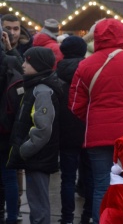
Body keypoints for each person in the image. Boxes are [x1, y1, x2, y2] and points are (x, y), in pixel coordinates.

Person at [69, 18, 123, 224]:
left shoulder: (85, 65)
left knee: (101, 186)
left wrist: (93, 119)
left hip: (97, 136)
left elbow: (75, 104)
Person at [7, 47, 62, 224]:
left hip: (38, 156)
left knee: (38, 204)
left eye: (27, 61)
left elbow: (43, 129)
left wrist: (25, 149)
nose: (23, 65)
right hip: (37, 156)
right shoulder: (35, 85)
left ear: (38, 64)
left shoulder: (42, 90)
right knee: (36, 200)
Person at [56, 36, 93, 224]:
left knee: (67, 179)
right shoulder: (89, 69)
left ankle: (66, 217)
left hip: (66, 131)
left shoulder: (57, 72)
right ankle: (87, 215)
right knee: (89, 176)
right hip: (88, 129)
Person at [0, 30, 23, 224]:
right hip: (6, 127)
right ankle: (13, 217)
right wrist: (9, 48)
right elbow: (23, 69)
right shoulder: (9, 61)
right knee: (9, 177)